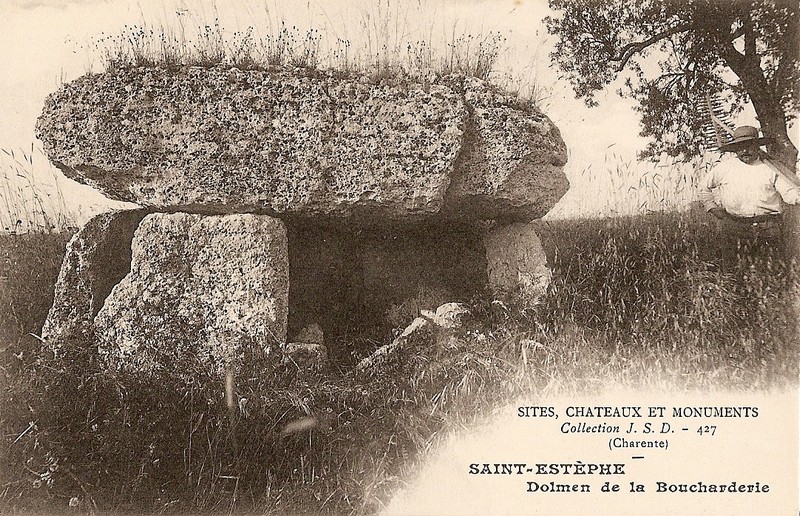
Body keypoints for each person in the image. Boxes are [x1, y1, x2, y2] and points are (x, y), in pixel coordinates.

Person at [699, 126, 800, 237]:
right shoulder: (724, 168)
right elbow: (703, 188)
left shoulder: (771, 168)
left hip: (768, 226)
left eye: (749, 146)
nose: (745, 151)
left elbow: (789, 193)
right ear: (735, 149)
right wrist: (711, 207)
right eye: (740, 147)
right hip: (735, 226)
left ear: (757, 147)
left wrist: (797, 197)